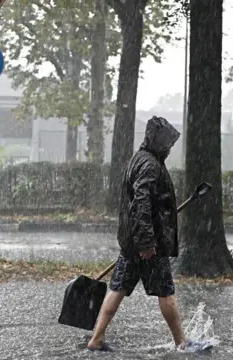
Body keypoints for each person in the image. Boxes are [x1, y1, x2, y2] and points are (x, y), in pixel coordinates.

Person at [86, 116, 194, 352]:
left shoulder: (139, 159)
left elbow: (140, 201)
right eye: (167, 143)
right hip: (148, 245)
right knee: (165, 292)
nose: (169, 147)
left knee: (117, 288)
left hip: (131, 243)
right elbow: (141, 202)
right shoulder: (149, 165)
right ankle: (182, 343)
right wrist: (147, 242)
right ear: (157, 141)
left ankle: (97, 338)